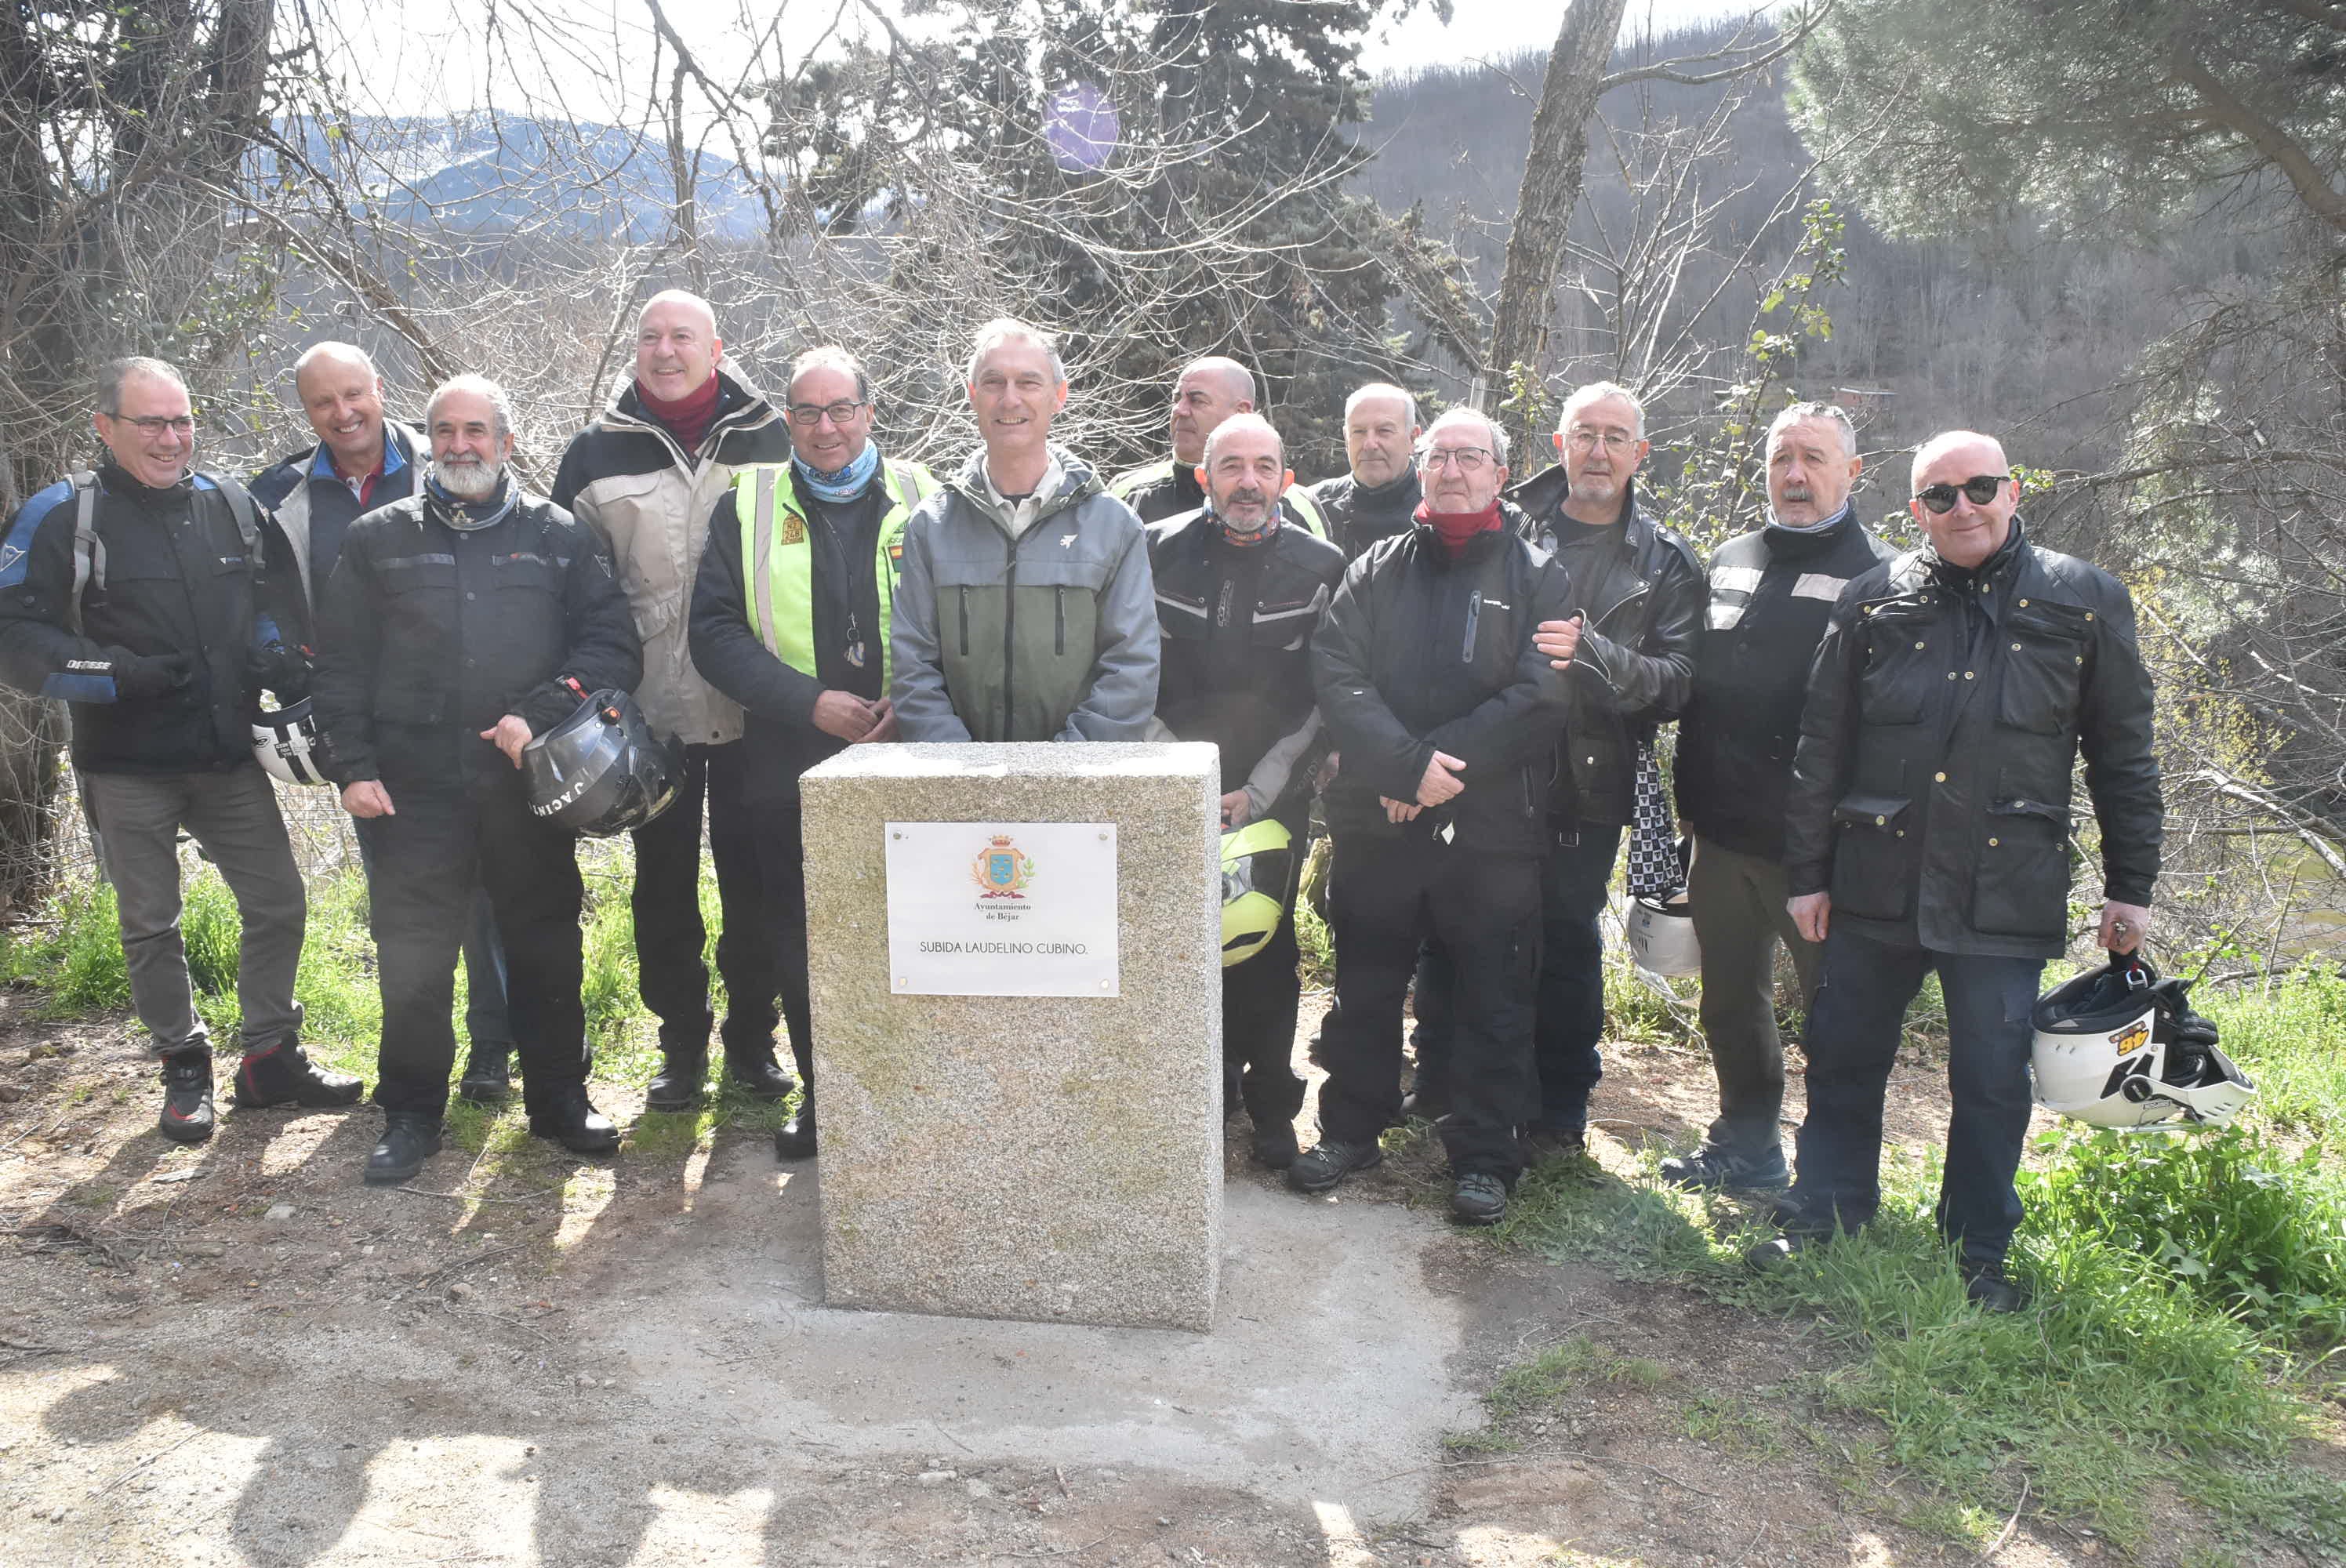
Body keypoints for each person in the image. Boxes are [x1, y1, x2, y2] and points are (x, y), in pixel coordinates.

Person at [1756, 430, 2162, 1311]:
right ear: (1915, 512)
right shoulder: (1872, 600)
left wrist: (2130, 885)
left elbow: (2123, 756)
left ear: (2012, 492)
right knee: (1843, 1053)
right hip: (1875, 876)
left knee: (1989, 1074)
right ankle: (1823, 1211)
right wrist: (1806, 875)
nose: (1961, 506)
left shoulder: (2084, 601)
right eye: (1939, 495)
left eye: (1977, 487)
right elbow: (1820, 748)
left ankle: (1977, 1248)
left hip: (2004, 885)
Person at [0, 356, 357, 1142]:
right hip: (126, 764)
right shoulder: (65, 515)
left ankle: (269, 1056)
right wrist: (114, 674)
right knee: (150, 923)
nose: (171, 438)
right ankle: (182, 1065)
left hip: (228, 754)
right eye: (151, 422)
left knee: (278, 904)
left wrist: (273, 650)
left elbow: (272, 596)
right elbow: (16, 635)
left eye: (181, 420)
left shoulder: (230, 504)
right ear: (106, 428)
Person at [312, 375, 642, 1185]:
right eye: (445, 431)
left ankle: (561, 1101)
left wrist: (539, 709)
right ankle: (413, 1111)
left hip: (524, 785)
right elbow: (341, 666)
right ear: (429, 441)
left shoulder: (559, 536)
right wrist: (351, 768)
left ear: (507, 441)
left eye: (477, 431)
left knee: (544, 944)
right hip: (411, 787)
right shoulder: (376, 538)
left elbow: (611, 648)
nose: (461, 445)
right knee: (414, 955)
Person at [1295, 408, 1572, 1226]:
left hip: (1490, 826)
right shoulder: (1375, 566)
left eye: (1468, 456)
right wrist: (1403, 765)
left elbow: (1541, 694)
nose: (1451, 470)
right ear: (1421, 467)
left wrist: (1432, 767)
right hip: (1376, 819)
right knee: (1364, 984)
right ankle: (1351, 1128)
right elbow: (1336, 670)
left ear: (1498, 469)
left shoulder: (1538, 574)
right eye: (1438, 456)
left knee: (1493, 993)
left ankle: (1486, 1154)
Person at [1417, 382, 1702, 1149]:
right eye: (1585, 435)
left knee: (1566, 937)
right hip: (1487, 767)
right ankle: (1445, 1079)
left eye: (1616, 437)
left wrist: (1594, 653)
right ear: (1558, 446)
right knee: (1461, 925)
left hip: (1587, 781)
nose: (1599, 451)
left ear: (1640, 453)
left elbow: (1678, 680)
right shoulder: (1506, 526)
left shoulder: (1665, 558)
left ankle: (1560, 1103)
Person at [251, 343, 518, 1105]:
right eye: (322, 403)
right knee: (402, 906)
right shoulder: (280, 497)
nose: (343, 413)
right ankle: (414, 1062)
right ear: (305, 411)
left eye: (353, 394)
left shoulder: (447, 457)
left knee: (487, 899)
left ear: (380, 389)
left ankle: (493, 1050)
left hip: (467, 721)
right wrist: (284, 662)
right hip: (367, 734)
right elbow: (261, 600)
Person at [551, 290, 797, 1111]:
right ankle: (681, 1045)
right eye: (651, 336)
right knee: (661, 889)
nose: (665, 349)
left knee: (755, 881)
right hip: (643, 714)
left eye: (682, 335)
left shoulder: (775, 434)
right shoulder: (593, 453)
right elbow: (570, 590)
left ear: (716, 346)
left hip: (756, 707)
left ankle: (753, 1043)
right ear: (634, 352)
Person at [689, 346, 936, 1161]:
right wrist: (809, 701)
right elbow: (714, 633)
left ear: (870, 410)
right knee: (803, 935)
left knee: (916, 930)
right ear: (786, 419)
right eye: (807, 412)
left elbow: (967, 613)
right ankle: (828, 1097)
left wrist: (920, 700)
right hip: (788, 759)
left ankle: (917, 1088)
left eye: (841, 409)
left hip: (913, 750)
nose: (825, 428)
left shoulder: (927, 495)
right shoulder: (747, 502)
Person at [1662, 402, 1894, 1191]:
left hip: (1817, 856)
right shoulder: (1728, 558)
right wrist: (1686, 804)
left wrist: (1835, 854)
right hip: (1721, 839)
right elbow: (1697, 690)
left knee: (1835, 1022)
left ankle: (1829, 1183)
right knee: (1729, 1005)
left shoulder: (1879, 575)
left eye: (1814, 458)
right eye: (1780, 457)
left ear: (1852, 471)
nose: (1794, 474)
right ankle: (1744, 1144)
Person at [1146, 412, 1345, 1168]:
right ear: (1205, 475)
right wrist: (1181, 778)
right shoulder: (1151, 552)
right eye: (1232, 466)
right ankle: (1182, 1098)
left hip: (1270, 792)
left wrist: (1255, 795)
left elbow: (1324, 699)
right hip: (1163, 786)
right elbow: (1126, 677)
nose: (1248, 482)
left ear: (1287, 481)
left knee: (1263, 950)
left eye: (1265, 467)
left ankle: (1269, 1112)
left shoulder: (1323, 566)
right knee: (1167, 944)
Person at [891, 318, 1160, 743]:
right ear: (972, 395)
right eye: (994, 382)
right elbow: (914, 668)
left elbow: (1131, 668)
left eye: (1029, 383)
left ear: (1059, 396)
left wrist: (1058, 771)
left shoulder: (1113, 526)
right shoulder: (931, 526)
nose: (1010, 399)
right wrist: (963, 771)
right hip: (959, 790)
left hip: (1080, 786)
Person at [1109, 356, 1327, 536]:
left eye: (1197, 401)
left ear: (1241, 412)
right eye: (1176, 399)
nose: (1179, 411)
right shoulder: (1128, 494)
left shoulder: (1297, 506)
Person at [1309, 383, 1423, 560]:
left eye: (1384, 431)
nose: (1369, 444)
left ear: (1412, 438)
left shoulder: (1436, 512)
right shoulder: (1314, 508)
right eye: (1359, 432)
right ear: (1346, 439)